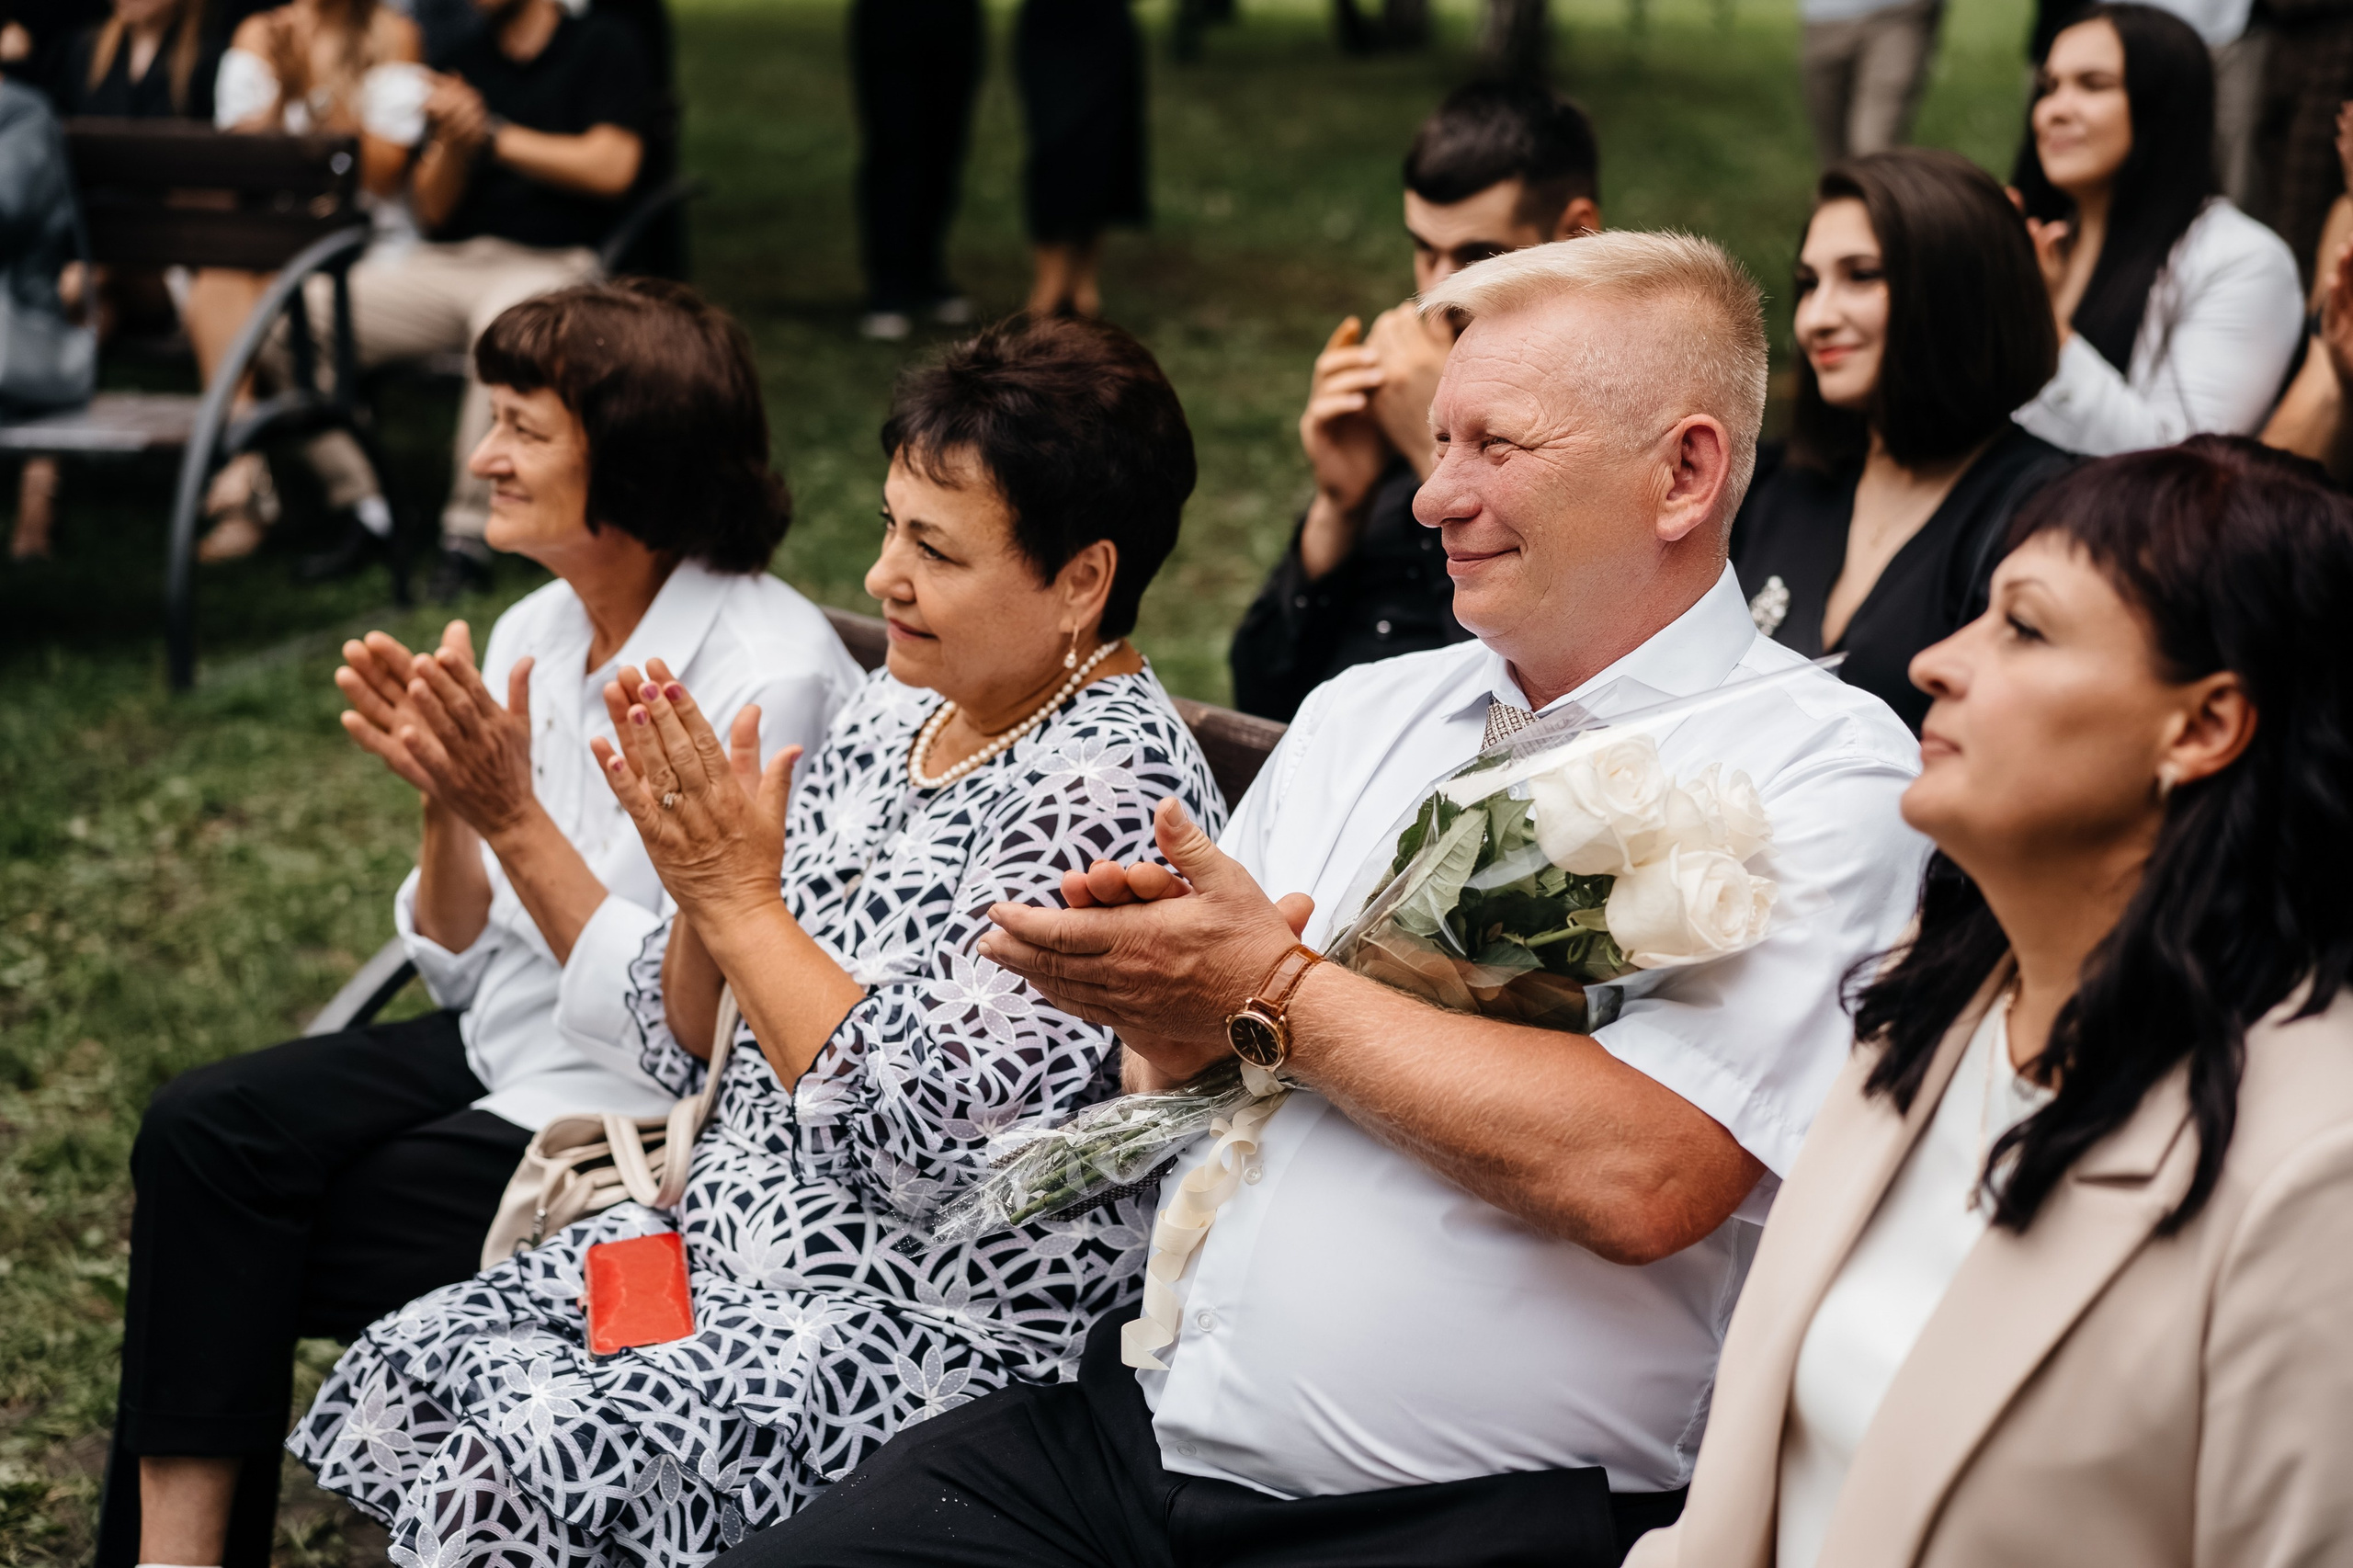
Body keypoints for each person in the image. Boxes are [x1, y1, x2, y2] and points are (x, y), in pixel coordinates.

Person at [735, 233, 1930, 1568]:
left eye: (1497, 448)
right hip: (1135, 1437)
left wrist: (1271, 989)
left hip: (1445, 1520)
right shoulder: (1371, 710)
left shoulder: (1821, 769)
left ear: (1685, 472)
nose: (1433, 500)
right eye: (1441, 442)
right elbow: (1176, 1079)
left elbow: (1646, 1174)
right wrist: (1164, 992)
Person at [283, 314, 1224, 1564]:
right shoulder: (903, 705)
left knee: (531, 1453)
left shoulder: (1105, 799)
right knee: (428, 1356)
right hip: (714, 1258)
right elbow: (695, 1056)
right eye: (891, 525)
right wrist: (697, 897)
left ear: (1082, 580)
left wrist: (737, 904)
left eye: (934, 549)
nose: (883, 576)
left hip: (909, 1333)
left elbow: (929, 1154)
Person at [97, 280, 859, 1568]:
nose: (481, 456)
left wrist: (510, 815)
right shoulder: (538, 624)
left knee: (227, 1234)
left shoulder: (764, 678)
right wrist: (449, 807)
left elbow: (680, 1043)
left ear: (633, 460)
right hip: (504, 1046)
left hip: (640, 1117)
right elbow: (455, 965)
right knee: (200, 1131)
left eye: (521, 428)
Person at [1625, 436, 2353, 1568]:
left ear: (2203, 725)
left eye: (2024, 625)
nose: (1932, 661)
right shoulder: (1934, 1000)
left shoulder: (2315, 1170)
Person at [1228, 79, 1601, 721]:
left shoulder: (1610, 420)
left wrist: (1439, 453)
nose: (1437, 293)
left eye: (1479, 257)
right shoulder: (1405, 388)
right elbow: (1258, 694)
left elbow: (1541, 707)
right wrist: (1338, 508)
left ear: (1573, 235)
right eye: (1424, 251)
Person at [290, 0, 654, 601]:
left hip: (554, 261)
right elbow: (432, 210)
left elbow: (612, 168)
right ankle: (368, 505)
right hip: (450, 263)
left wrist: (493, 134)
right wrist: (457, 143)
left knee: (505, 334)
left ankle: (466, 536)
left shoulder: (602, 42)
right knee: (297, 317)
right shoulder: (460, 57)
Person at [1733, 150, 2070, 734]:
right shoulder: (1770, 488)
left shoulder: (2054, 515)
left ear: (1959, 289)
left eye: (1861, 275)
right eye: (1810, 284)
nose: (1815, 318)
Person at [181, 0, 428, 563]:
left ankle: (255, 480)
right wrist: (281, 99)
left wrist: (313, 100)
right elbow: (241, 168)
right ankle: (248, 460)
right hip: (274, 241)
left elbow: (384, 175)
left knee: (250, 297)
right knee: (224, 279)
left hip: (363, 244)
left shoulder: (395, 35)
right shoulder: (260, 30)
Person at [2010, 4, 2302, 458]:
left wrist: (2042, 325)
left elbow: (2179, 464)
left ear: (2162, 104)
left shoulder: (2243, 260)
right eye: (2048, 87)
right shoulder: (2045, 245)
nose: (2053, 111)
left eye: (2092, 85)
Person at [849, 0, 981, 341]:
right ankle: (888, 283)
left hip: (954, 18)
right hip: (891, 20)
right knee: (895, 145)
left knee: (945, 147)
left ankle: (926, 271)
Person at [1014, 0, 1145, 319]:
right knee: (1054, 147)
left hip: (1104, 26)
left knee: (1103, 145)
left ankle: (1084, 280)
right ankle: (1050, 278)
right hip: (1049, 29)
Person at [1799, 0, 1941, 167]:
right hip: (1823, 19)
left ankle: (1876, 190)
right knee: (1833, 156)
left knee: (1873, 151)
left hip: (1900, 13)